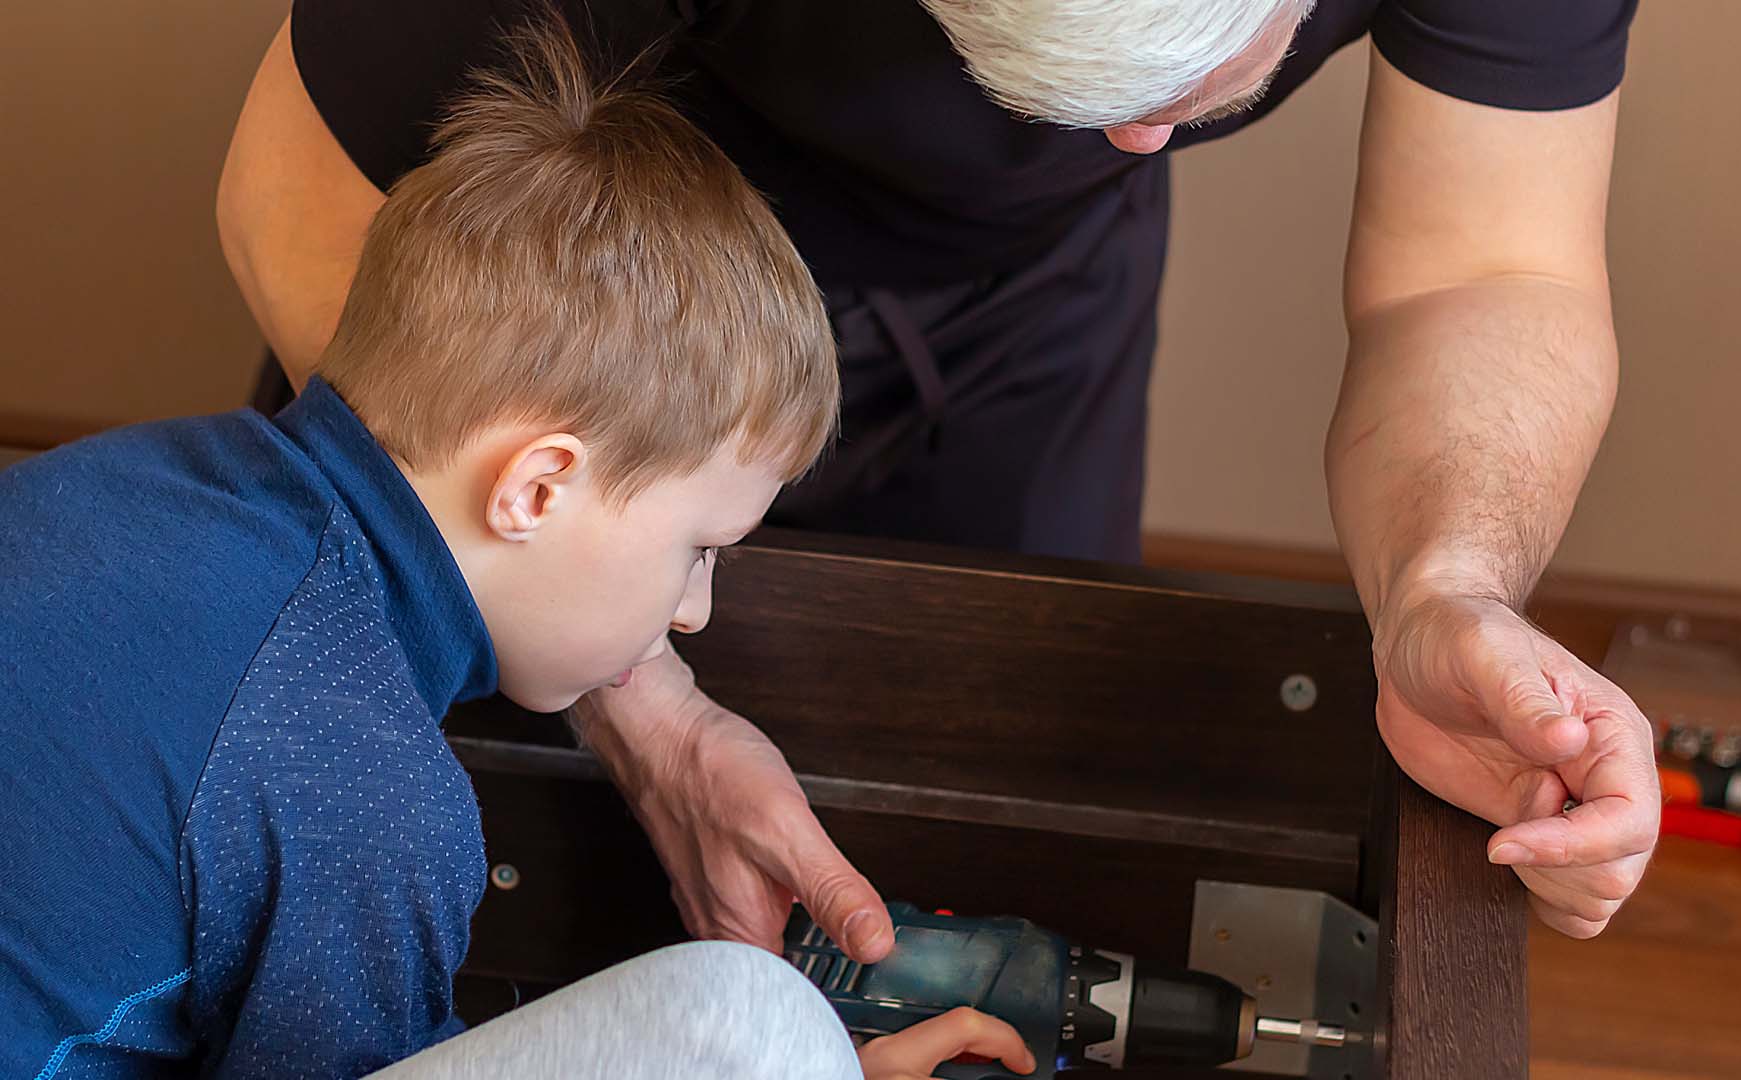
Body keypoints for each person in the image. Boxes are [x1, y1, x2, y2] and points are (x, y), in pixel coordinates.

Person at [217, 0, 1659, 959]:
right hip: (557, 264)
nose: (1146, 142)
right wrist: (634, 692)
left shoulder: (1108, 137)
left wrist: (1443, 581)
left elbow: (1485, 265)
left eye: (1173, 91)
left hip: (1023, 308)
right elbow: (298, 199)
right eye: (1052, 83)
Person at [0, 25, 1031, 1078]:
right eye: (701, 549)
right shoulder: (366, 792)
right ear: (536, 487)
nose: (693, 612)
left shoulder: (134, 475)